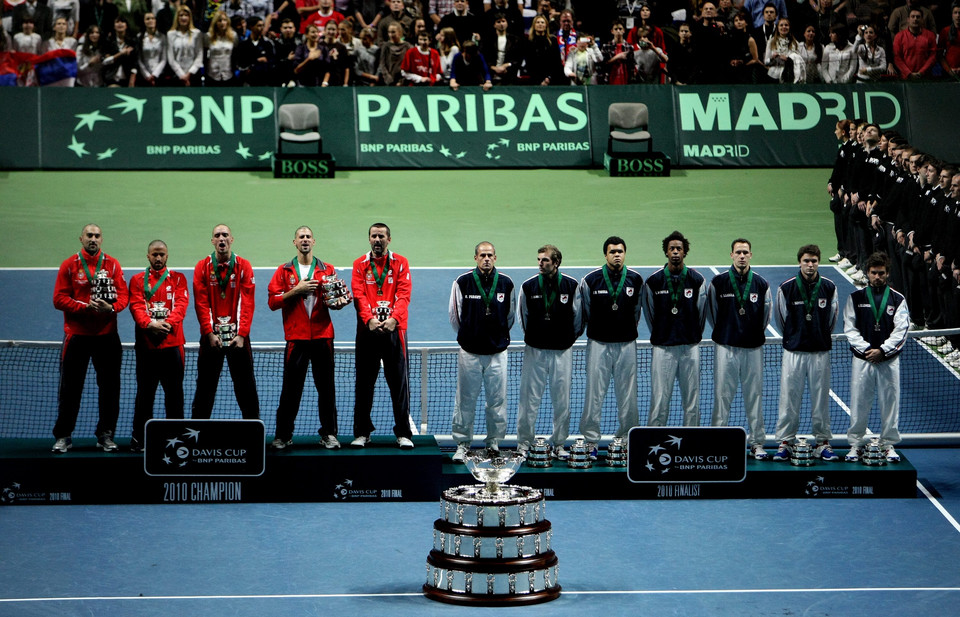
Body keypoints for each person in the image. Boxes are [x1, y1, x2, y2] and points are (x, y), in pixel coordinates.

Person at [268, 226, 351, 450]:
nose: (304, 240)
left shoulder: (327, 269)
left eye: (308, 237)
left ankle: (329, 434)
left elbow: (336, 299)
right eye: (300, 237)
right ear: (294, 242)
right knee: (290, 390)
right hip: (296, 338)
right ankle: (283, 435)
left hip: (323, 337)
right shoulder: (284, 271)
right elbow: (273, 302)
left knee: (326, 388)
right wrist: (296, 290)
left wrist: (341, 303)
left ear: (314, 242)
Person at [51, 224, 129, 453]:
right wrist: (85, 307)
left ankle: (106, 434)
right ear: (81, 238)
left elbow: (123, 296)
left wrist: (111, 307)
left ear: (101, 239)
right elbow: (58, 298)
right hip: (77, 337)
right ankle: (63, 436)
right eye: (89, 236)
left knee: (110, 388)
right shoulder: (69, 265)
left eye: (97, 236)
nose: (93, 239)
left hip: (107, 337)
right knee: (70, 389)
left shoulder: (113, 264)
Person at [771, 244, 840, 462]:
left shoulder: (829, 287)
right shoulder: (787, 287)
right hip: (794, 351)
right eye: (806, 261)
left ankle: (822, 442)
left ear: (818, 262)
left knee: (821, 399)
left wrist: (819, 336)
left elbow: (832, 318)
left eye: (814, 261)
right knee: (789, 397)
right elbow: (780, 318)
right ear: (799, 262)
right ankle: (785, 441)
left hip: (820, 351)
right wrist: (793, 337)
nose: (810, 265)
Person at [706, 239, 773, 459]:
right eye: (738, 252)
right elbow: (712, 313)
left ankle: (757, 442)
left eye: (745, 252)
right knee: (722, 395)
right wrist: (726, 332)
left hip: (752, 349)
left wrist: (752, 333)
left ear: (751, 255)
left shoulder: (761, 284)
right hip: (726, 347)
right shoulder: (718, 283)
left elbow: (766, 315)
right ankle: (718, 440)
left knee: (754, 395)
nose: (742, 256)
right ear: (731, 255)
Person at [449, 241, 515, 462]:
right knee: (465, 400)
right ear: (475, 258)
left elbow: (510, 316)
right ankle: (462, 443)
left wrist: (497, 337)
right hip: (470, 353)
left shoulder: (506, 283)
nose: (486, 259)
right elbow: (455, 315)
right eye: (482, 255)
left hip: (497, 353)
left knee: (497, 400)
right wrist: (469, 337)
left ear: (495, 258)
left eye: (490, 255)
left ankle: (493, 443)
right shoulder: (463, 282)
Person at [350, 223, 415, 449]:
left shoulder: (400, 263)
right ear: (369, 239)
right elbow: (358, 295)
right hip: (368, 331)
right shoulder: (359, 264)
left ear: (389, 239)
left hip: (394, 330)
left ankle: (403, 433)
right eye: (374, 236)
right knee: (364, 384)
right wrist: (369, 320)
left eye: (381, 236)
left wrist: (394, 319)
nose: (377, 240)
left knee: (398, 384)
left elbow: (404, 293)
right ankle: (362, 433)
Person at [578, 236, 644, 459]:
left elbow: (637, 312)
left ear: (625, 253)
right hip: (598, 344)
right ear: (605, 255)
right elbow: (585, 311)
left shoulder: (635, 280)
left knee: (628, 395)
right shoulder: (591, 280)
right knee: (594, 394)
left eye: (620, 251)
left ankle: (625, 439)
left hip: (626, 345)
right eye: (612, 251)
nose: (617, 255)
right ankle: (590, 441)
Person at [516, 244, 583, 459]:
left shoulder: (572, 286)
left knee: (562, 400)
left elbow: (578, 317)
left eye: (545, 260)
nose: (540, 264)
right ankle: (524, 443)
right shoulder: (528, 286)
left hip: (562, 351)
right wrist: (536, 338)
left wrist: (567, 339)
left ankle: (560, 443)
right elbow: (522, 317)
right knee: (529, 400)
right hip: (535, 351)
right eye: (538, 260)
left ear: (556, 262)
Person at [842, 252, 910, 463]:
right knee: (859, 402)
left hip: (888, 361)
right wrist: (867, 351)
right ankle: (855, 445)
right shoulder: (856, 298)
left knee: (890, 402)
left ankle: (888, 444)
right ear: (868, 274)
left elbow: (902, 330)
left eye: (881, 273)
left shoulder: (897, 299)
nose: (877, 277)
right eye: (873, 273)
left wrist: (882, 350)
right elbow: (850, 328)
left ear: (887, 273)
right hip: (863, 360)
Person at [191, 224, 260, 420]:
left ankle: (252, 430)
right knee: (205, 386)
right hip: (211, 338)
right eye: (217, 235)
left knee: (246, 386)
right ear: (212, 241)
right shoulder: (202, 267)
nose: (221, 238)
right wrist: (209, 333)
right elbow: (201, 302)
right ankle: (197, 431)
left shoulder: (243, 266)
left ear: (232, 239)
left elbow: (247, 302)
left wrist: (242, 334)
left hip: (238, 339)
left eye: (225, 235)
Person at [127, 240, 189, 453]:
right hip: (146, 348)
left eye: (162, 254)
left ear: (167, 256)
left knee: (175, 396)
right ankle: (139, 439)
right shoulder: (136, 280)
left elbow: (181, 305)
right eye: (154, 254)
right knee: (145, 394)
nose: (158, 258)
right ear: (148, 256)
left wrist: (167, 324)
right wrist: (149, 324)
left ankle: (176, 438)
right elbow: (136, 306)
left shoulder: (179, 279)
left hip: (173, 346)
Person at [642, 231, 707, 428]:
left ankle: (692, 439)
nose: (676, 252)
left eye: (679, 248)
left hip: (690, 347)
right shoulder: (654, 281)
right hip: (663, 348)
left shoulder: (697, 280)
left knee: (692, 399)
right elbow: (649, 313)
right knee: (660, 398)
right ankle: (655, 437)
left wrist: (692, 334)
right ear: (666, 252)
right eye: (672, 249)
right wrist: (663, 332)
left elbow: (701, 313)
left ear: (685, 252)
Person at [892, 7, 937, 80]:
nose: (915, 19)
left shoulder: (930, 35)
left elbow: (932, 56)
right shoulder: (899, 36)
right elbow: (897, 57)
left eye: (918, 17)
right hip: (906, 78)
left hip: (925, 77)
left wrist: (921, 72)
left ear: (922, 20)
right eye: (912, 17)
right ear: (908, 19)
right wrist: (908, 73)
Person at [167, 4, 204, 85]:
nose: (183, 18)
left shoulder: (197, 33)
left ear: (190, 17)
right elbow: (171, 58)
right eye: (181, 15)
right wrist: (181, 75)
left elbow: (199, 56)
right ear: (177, 17)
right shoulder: (170, 34)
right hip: (177, 75)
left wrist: (189, 74)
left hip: (193, 75)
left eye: (186, 15)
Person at [521, 14, 562, 85]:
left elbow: (556, 61)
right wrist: (539, 80)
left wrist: (548, 78)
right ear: (534, 25)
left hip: (551, 79)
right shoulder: (528, 41)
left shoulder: (553, 40)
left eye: (542, 22)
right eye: (538, 22)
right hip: (534, 79)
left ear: (546, 26)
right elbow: (529, 63)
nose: (540, 24)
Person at [205, 10, 238, 85]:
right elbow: (204, 55)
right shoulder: (208, 36)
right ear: (215, 23)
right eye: (219, 20)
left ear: (228, 22)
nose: (222, 23)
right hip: (212, 74)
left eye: (224, 20)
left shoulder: (233, 36)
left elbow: (235, 53)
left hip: (228, 74)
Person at [136, 12, 168, 85]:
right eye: (148, 19)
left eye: (153, 18)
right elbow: (139, 59)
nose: (150, 20)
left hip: (159, 75)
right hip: (144, 76)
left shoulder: (162, 37)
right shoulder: (139, 37)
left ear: (156, 21)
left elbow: (164, 59)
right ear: (144, 21)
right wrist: (147, 75)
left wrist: (154, 75)